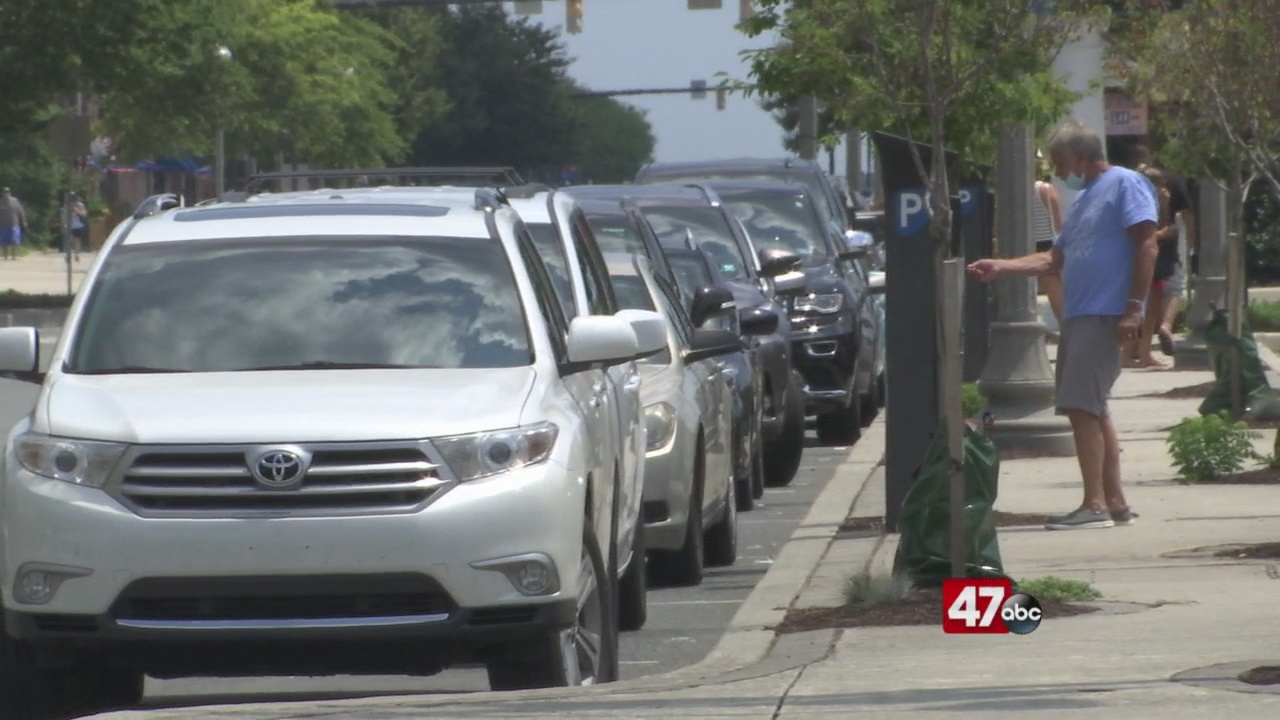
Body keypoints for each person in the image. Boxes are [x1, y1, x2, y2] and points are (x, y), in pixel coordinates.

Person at [967, 120, 1158, 530]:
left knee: (1080, 405)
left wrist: (1134, 308)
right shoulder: (1085, 199)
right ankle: (1113, 501)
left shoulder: (1125, 183)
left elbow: (1147, 242)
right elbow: (1053, 260)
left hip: (1105, 311)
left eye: (1058, 160)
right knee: (1092, 406)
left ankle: (1093, 507)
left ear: (1080, 155)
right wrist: (1000, 265)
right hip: (1080, 312)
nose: (1056, 169)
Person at [1033, 155, 1065, 326]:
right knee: (1054, 291)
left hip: (1026, 243)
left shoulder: (1014, 188)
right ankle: (1065, 326)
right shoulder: (1045, 189)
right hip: (1046, 243)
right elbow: (1058, 220)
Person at [0, 187, 27, 261]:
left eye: (7, 192)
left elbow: (21, 211)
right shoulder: (0, 202)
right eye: (4, 192)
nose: (6, 194)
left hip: (14, 224)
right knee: (4, 242)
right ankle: (5, 256)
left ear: (9, 193)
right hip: (2, 225)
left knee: (14, 241)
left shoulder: (15, 201)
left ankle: (13, 256)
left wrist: (24, 221)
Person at [69, 192, 88, 262]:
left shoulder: (80, 205)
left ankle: (76, 254)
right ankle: (70, 254)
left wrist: (76, 210)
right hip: (71, 225)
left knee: (77, 241)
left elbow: (84, 214)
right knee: (71, 241)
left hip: (79, 225)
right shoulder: (69, 205)